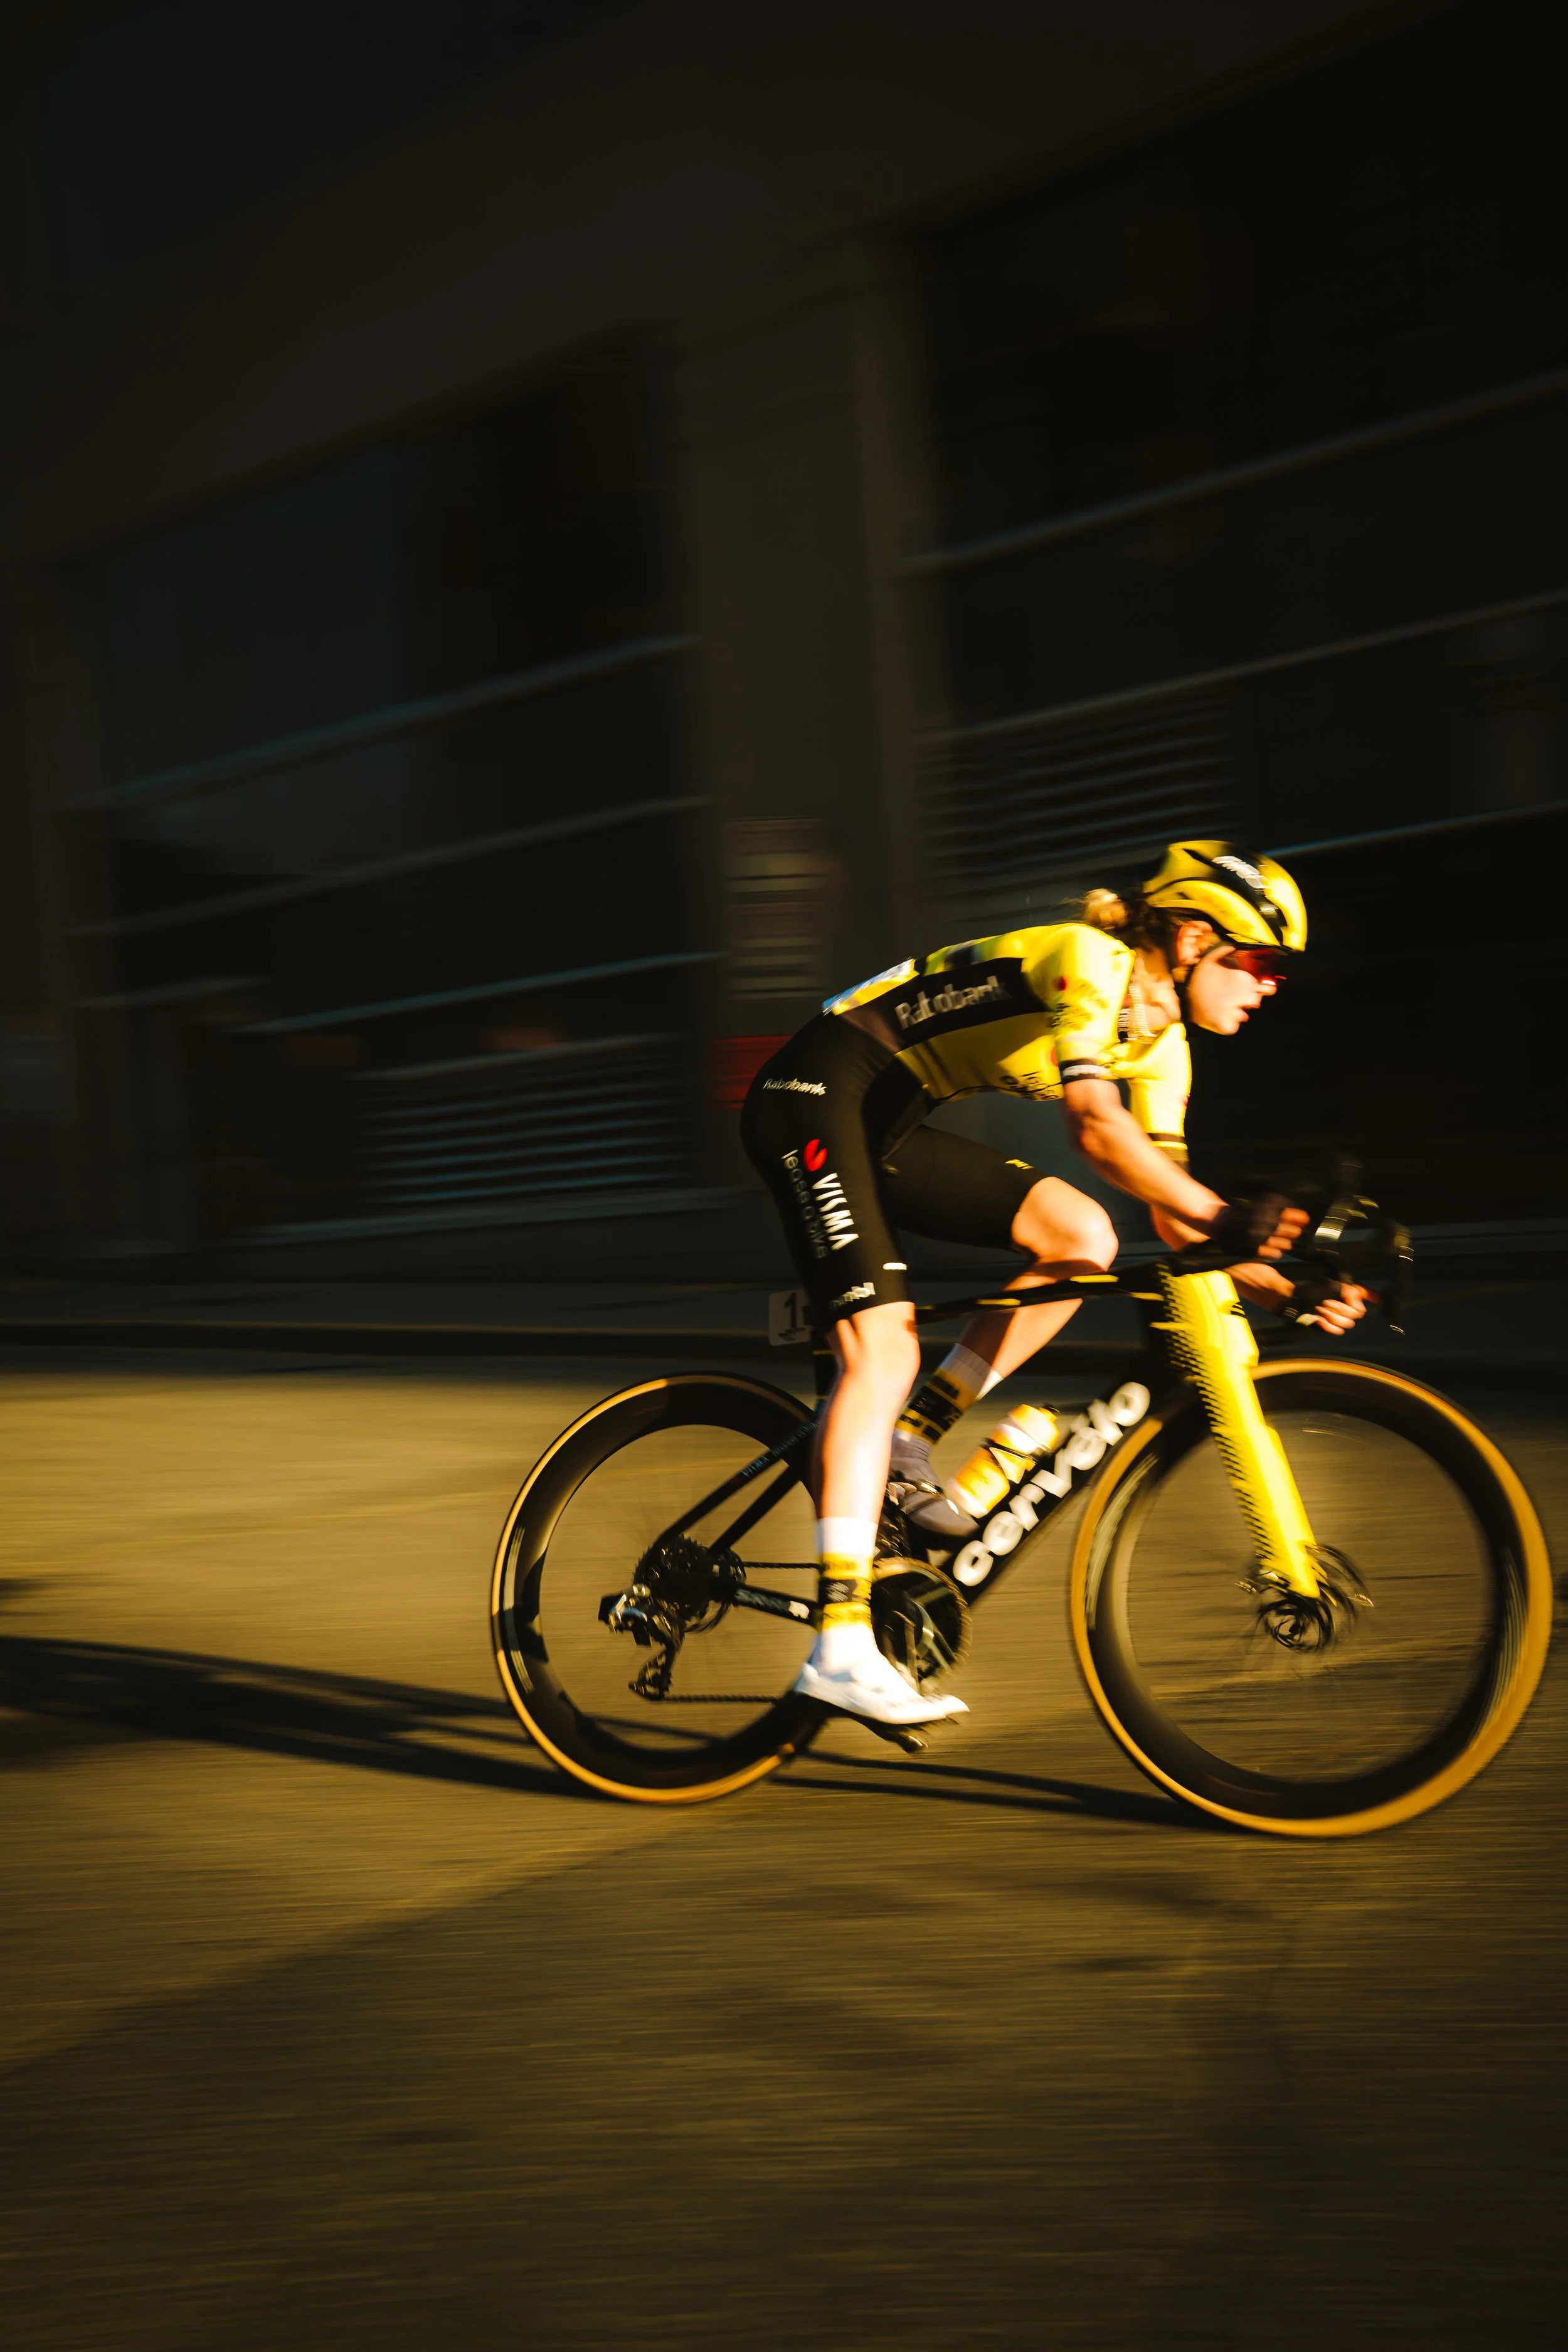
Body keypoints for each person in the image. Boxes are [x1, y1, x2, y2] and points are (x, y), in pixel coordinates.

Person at [740, 839, 1367, 1730]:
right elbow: (1095, 1128)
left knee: (1084, 1238)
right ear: (1193, 936)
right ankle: (839, 1644)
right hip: (812, 1091)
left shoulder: (1163, 1049)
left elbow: (1174, 1214)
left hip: (888, 1122)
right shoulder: (1091, 961)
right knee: (883, 1346)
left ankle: (907, 1442)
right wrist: (1234, 1223)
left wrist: (1277, 1283)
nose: (1270, 986)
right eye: (1261, 960)